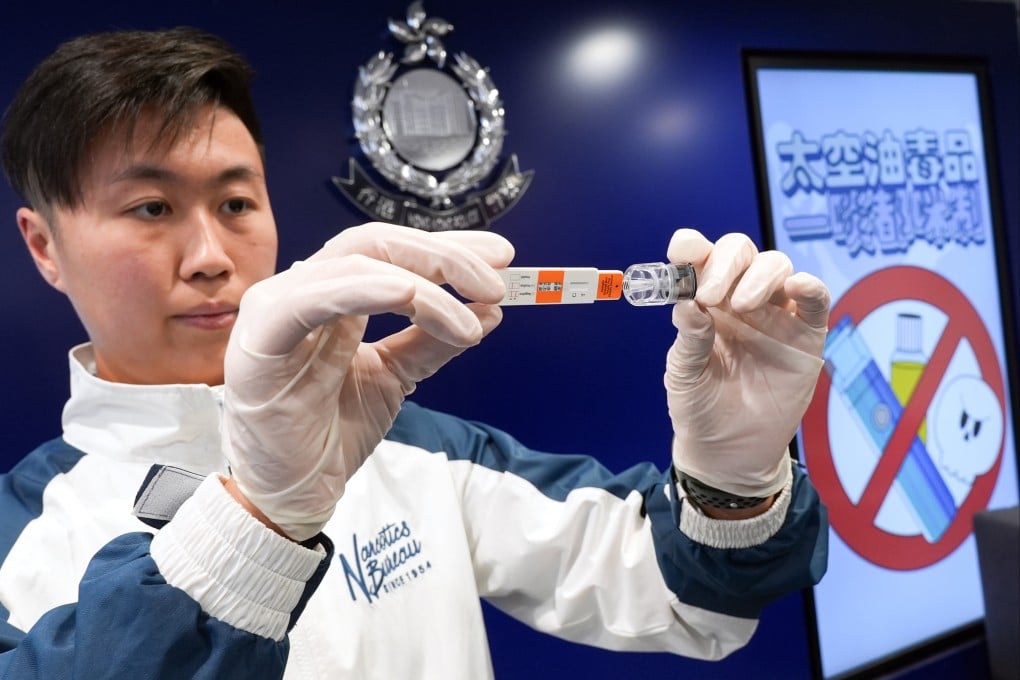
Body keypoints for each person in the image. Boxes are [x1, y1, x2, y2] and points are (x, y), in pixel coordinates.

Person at [0, 26, 831, 680]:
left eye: (237, 201)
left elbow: (680, 590)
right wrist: (258, 516)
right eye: (150, 207)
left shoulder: (410, 444)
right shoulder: (20, 537)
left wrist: (734, 478)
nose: (212, 253)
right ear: (44, 245)